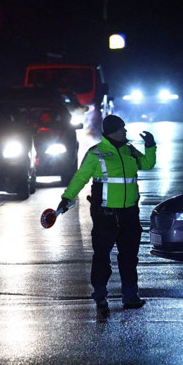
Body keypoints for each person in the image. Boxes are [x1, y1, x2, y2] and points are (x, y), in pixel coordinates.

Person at [54, 114, 156, 316]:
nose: (125, 131)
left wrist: (150, 146)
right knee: (102, 257)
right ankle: (100, 295)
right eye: (122, 128)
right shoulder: (96, 153)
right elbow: (81, 177)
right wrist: (67, 198)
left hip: (129, 214)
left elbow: (147, 164)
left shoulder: (129, 150)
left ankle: (130, 296)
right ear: (112, 132)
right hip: (105, 215)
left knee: (129, 257)